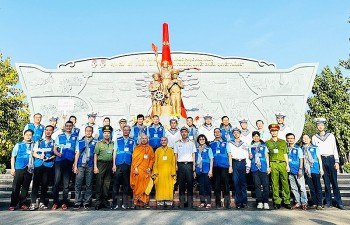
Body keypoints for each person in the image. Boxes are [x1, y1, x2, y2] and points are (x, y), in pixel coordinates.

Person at [312, 118, 343, 209]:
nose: (320, 126)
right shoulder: (314, 137)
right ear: (316, 126)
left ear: (324, 126)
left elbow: (334, 149)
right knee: (326, 182)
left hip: (331, 158)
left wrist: (337, 161)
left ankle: (339, 201)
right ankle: (328, 202)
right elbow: (315, 152)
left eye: (321, 125)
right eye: (318, 125)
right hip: (322, 160)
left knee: (334, 182)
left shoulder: (331, 136)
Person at [52, 121, 78, 210]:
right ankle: (55, 202)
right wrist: (58, 154)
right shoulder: (59, 136)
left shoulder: (75, 138)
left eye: (70, 126)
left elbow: (76, 151)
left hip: (69, 161)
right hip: (59, 161)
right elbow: (54, 149)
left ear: (72, 127)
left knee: (66, 184)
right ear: (65, 127)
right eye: (67, 126)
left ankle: (64, 202)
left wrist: (74, 163)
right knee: (57, 182)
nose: (68, 127)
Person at [29, 125, 55, 210]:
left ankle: (42, 202)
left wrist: (50, 158)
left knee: (45, 184)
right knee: (36, 184)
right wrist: (40, 157)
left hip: (48, 165)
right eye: (47, 130)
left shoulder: (54, 142)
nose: (48, 132)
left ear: (52, 132)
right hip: (38, 164)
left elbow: (55, 154)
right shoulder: (39, 141)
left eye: (50, 130)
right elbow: (34, 153)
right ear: (44, 131)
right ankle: (33, 203)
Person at [265, 124, 291, 209]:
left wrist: (287, 165)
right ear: (270, 132)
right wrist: (268, 166)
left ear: (278, 131)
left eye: (275, 131)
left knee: (285, 182)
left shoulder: (283, 142)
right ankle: (277, 201)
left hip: (282, 163)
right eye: (272, 131)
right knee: (274, 183)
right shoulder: (267, 142)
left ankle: (287, 200)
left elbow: (285, 154)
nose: (274, 132)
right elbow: (267, 155)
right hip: (273, 163)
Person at [73, 126, 98, 210]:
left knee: (89, 184)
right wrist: (75, 165)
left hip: (90, 165)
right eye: (87, 131)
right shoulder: (80, 141)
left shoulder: (95, 141)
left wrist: (95, 166)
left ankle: (87, 202)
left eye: (90, 131)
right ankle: (77, 202)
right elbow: (77, 153)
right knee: (78, 183)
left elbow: (96, 154)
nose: (88, 132)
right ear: (84, 132)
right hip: (80, 164)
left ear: (92, 132)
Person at [9, 129, 34, 211]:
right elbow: (13, 156)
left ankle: (23, 203)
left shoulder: (33, 145)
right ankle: (13, 204)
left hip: (29, 168)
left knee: (25, 187)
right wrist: (12, 168)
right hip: (19, 167)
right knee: (16, 186)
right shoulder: (18, 144)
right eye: (27, 134)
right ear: (23, 135)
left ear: (32, 136)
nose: (28, 136)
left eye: (30, 135)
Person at [111, 125, 136, 209]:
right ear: (122, 131)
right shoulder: (118, 140)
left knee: (126, 184)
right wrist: (114, 164)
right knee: (116, 184)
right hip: (118, 163)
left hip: (128, 164)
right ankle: (114, 203)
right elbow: (114, 152)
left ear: (129, 131)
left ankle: (125, 203)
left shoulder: (132, 141)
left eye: (127, 130)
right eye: (124, 130)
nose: (126, 131)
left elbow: (134, 154)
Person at [174, 126, 197, 209]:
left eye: (185, 132)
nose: (184, 133)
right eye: (182, 132)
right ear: (181, 133)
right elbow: (175, 155)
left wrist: (194, 165)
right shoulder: (177, 143)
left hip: (189, 164)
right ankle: (182, 203)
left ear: (188, 133)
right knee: (181, 184)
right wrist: (176, 165)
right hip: (180, 165)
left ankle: (190, 203)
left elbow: (193, 154)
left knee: (190, 184)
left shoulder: (191, 142)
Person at [209, 128, 232, 209]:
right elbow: (210, 157)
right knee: (217, 185)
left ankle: (227, 203)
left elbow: (229, 155)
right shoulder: (211, 144)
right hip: (215, 167)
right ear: (214, 134)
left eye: (218, 132)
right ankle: (218, 203)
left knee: (226, 184)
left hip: (224, 166)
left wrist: (230, 166)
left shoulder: (226, 143)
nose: (217, 133)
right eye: (215, 132)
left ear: (221, 133)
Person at [130, 134, 155, 208]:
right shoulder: (137, 148)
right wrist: (135, 168)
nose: (144, 140)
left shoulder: (150, 148)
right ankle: (136, 202)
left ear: (147, 139)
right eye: (142, 138)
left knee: (146, 187)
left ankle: (145, 203)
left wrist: (150, 167)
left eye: (145, 138)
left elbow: (152, 159)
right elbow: (134, 159)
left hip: (146, 170)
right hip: (138, 170)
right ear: (140, 139)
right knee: (138, 186)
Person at [229, 127, 251, 209]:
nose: (236, 134)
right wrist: (230, 166)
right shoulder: (230, 143)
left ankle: (244, 202)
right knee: (236, 183)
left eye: (237, 133)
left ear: (240, 134)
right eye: (234, 133)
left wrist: (248, 166)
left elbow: (247, 155)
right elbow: (230, 155)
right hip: (235, 162)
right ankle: (238, 202)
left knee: (243, 183)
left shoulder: (244, 144)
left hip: (242, 162)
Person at [93, 125, 114, 210]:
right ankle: (98, 202)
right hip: (100, 164)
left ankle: (104, 201)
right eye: (105, 133)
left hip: (109, 164)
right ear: (103, 133)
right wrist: (95, 166)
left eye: (108, 133)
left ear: (110, 134)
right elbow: (95, 155)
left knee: (107, 183)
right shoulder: (99, 143)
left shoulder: (112, 143)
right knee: (99, 183)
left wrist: (113, 165)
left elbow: (113, 155)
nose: (106, 134)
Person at [152, 137, 176, 208]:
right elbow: (155, 162)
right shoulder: (157, 150)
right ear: (160, 142)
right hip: (160, 172)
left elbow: (173, 162)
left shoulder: (171, 150)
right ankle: (160, 201)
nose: (163, 142)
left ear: (167, 141)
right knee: (159, 186)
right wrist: (155, 171)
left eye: (165, 140)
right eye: (162, 140)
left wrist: (173, 172)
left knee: (169, 186)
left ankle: (169, 201)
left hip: (169, 172)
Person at [302, 134, 324, 210]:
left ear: (310, 139)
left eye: (307, 138)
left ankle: (320, 203)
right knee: (311, 188)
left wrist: (321, 169)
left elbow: (319, 158)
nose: (305, 139)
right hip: (307, 171)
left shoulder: (315, 148)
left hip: (315, 169)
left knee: (318, 187)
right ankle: (314, 203)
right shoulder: (301, 149)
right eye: (304, 138)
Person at [286, 133, 307, 210]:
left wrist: (300, 169)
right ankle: (297, 202)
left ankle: (304, 202)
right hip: (290, 171)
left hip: (298, 170)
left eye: (292, 138)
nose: (290, 140)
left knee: (302, 187)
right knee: (294, 188)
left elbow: (301, 159)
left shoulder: (298, 148)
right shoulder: (286, 149)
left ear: (294, 139)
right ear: (286, 139)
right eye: (288, 138)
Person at [249, 131, 270, 210]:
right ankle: (259, 202)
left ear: (260, 137)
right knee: (257, 185)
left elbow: (267, 157)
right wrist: (250, 156)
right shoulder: (250, 147)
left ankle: (266, 202)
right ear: (252, 138)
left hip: (263, 167)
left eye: (257, 136)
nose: (256, 137)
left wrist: (268, 167)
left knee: (265, 185)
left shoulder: (264, 146)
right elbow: (250, 158)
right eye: (254, 136)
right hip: (255, 167)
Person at [195, 134, 214, 209]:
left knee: (207, 186)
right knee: (201, 186)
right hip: (199, 170)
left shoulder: (208, 149)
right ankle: (202, 202)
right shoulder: (196, 149)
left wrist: (211, 170)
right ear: (198, 141)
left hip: (206, 169)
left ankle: (208, 202)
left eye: (203, 139)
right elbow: (194, 159)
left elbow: (211, 159)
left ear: (205, 140)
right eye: (200, 139)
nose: (201, 140)